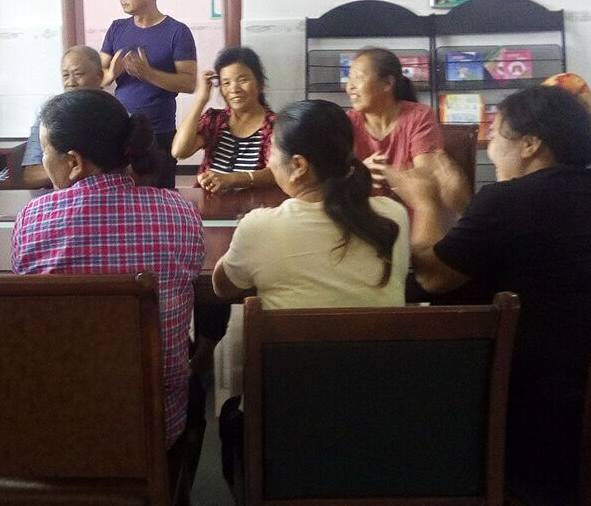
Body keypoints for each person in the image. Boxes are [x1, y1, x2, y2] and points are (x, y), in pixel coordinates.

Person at [389, 86, 591, 506]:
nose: (489, 148)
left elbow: (433, 278)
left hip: (545, 422)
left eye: (496, 134)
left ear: (530, 144)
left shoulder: (512, 199)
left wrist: (424, 202)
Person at [212, 99, 409, 488]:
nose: (269, 160)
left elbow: (222, 287)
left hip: (286, 431)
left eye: (272, 151)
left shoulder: (260, 226)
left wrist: (244, 240)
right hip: (379, 424)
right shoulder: (392, 215)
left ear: (299, 165)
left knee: (230, 409)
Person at [10, 89, 205, 449]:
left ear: (74, 162)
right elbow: (190, 274)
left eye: (46, 152)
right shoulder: (179, 213)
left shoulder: (32, 219)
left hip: (60, 430)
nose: (44, 162)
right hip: (153, 429)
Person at [100, 0, 197, 188]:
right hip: (122, 130)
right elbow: (98, 75)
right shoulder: (116, 28)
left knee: (161, 194)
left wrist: (148, 73)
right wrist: (110, 75)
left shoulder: (177, 31)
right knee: (122, 194)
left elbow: (189, 83)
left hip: (159, 132)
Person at [345, 47, 467, 210]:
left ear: (388, 83)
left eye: (358, 77)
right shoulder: (346, 122)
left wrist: (384, 172)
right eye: (349, 79)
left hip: (415, 219)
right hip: (363, 219)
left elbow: (425, 182)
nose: (350, 87)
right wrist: (360, 173)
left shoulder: (419, 116)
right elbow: (334, 180)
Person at [172, 46, 277, 193]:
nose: (234, 89)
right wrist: (201, 100)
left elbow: (278, 172)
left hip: (254, 205)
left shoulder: (275, 125)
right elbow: (179, 151)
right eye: (226, 83)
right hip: (209, 203)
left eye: (242, 80)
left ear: (260, 84)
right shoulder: (215, 120)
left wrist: (232, 179)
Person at [21, 45, 105, 189]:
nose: (71, 82)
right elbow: (30, 176)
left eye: (78, 74)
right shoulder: (47, 115)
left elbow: (132, 170)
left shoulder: (116, 114)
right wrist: (73, 168)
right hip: (58, 199)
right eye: (65, 75)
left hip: (104, 194)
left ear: (99, 76)